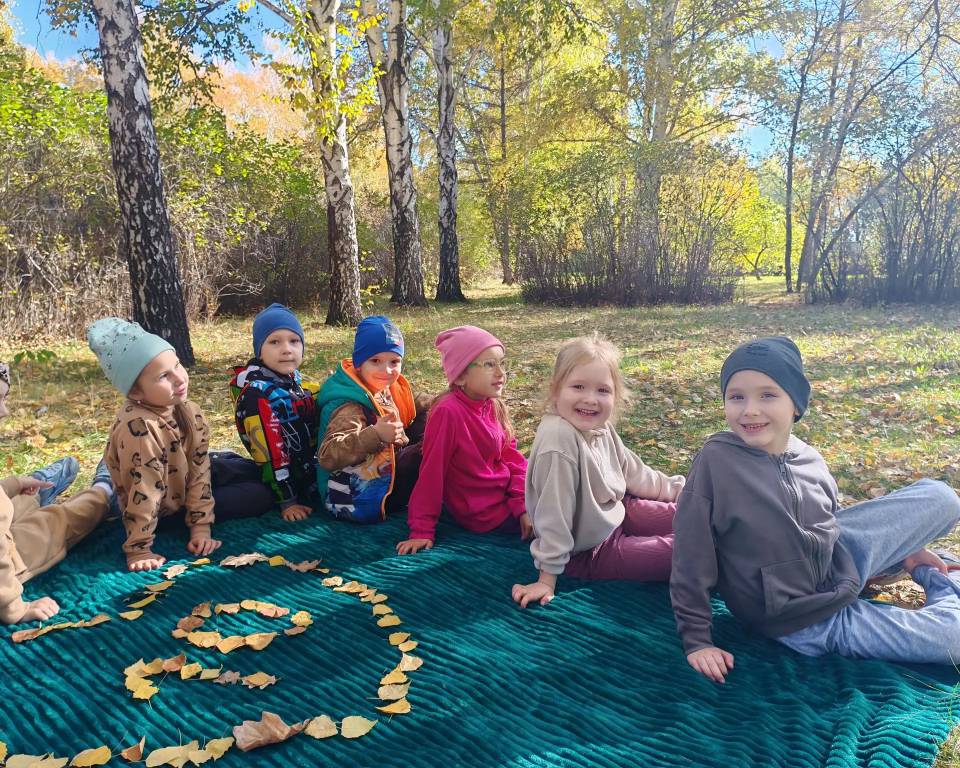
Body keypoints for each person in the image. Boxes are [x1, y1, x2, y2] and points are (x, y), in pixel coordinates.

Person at [670, 336, 960, 683]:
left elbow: (830, 523)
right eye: (736, 397)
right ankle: (941, 581)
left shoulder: (809, 457)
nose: (750, 409)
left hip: (839, 564)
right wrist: (697, 641)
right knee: (953, 639)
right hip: (801, 618)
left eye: (767, 395)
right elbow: (691, 554)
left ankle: (912, 561)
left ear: (795, 403)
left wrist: (904, 545)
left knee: (943, 497)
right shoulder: (716, 462)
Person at [512, 333, 684, 607]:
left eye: (602, 390)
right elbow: (553, 516)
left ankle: (740, 528)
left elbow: (637, 474)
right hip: (589, 551)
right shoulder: (558, 441)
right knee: (689, 552)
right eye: (578, 386)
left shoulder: (600, 428)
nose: (590, 399)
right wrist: (547, 579)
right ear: (556, 390)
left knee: (696, 512)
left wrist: (684, 492)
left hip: (617, 514)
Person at [88, 318, 272, 572]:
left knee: (252, 470)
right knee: (260, 495)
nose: (179, 378)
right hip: (162, 507)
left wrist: (200, 526)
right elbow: (145, 492)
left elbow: (199, 469)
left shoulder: (185, 409)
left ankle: (226, 464)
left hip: (182, 480)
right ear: (136, 393)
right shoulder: (140, 430)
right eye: (164, 376)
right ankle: (105, 482)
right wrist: (139, 549)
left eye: (177, 365)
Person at [398, 326, 529, 555]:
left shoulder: (492, 403)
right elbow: (432, 471)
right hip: (485, 510)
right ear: (460, 376)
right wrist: (421, 529)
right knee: (564, 520)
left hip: (509, 495)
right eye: (489, 364)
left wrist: (523, 503)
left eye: (502, 363)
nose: (501, 373)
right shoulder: (448, 412)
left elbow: (512, 458)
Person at [0, 360, 114, 623]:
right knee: (55, 522)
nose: (5, 411)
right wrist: (14, 609)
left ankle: (35, 489)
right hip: (9, 557)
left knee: (15, 501)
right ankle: (104, 490)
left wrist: (13, 485)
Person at [316, 315, 428, 523]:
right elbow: (328, 455)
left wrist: (443, 402)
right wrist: (375, 435)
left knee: (435, 417)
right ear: (359, 364)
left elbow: (414, 407)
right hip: (349, 496)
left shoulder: (380, 387)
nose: (386, 370)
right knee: (428, 452)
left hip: (378, 469)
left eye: (394, 361)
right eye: (375, 361)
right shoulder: (349, 405)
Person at [231, 303, 321, 522]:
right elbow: (270, 454)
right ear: (259, 351)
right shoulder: (257, 395)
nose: (287, 349)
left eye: (294, 341)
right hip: (282, 481)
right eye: (274, 342)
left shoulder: (295, 383)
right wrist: (287, 501)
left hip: (308, 471)